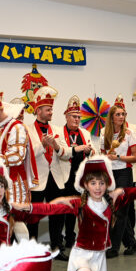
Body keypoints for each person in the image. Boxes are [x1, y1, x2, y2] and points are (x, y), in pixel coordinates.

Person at [26, 86, 73, 258]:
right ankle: (31, 250)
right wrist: (42, 145)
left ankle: (57, 248)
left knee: (58, 215)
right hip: (37, 179)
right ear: (38, 110)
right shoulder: (27, 130)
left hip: (56, 177)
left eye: (52, 109)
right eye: (48, 109)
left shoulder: (59, 130)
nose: (51, 112)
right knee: (34, 216)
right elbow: (27, 155)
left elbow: (67, 153)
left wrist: (56, 146)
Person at [98, 96, 136, 258]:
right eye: (118, 114)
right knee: (113, 209)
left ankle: (114, 248)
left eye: (123, 114)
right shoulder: (104, 133)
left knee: (121, 211)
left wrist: (118, 157)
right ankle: (131, 243)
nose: (121, 117)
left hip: (124, 173)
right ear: (112, 117)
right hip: (110, 173)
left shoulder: (129, 134)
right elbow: (103, 154)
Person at [58, 95, 97, 249]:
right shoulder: (59, 132)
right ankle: (61, 238)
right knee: (64, 209)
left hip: (80, 177)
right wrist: (78, 148)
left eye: (79, 117)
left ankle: (73, 237)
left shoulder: (85, 133)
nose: (76, 119)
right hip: (64, 176)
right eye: (74, 116)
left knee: (79, 208)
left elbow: (93, 152)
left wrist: (89, 151)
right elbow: (61, 152)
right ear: (66, 116)